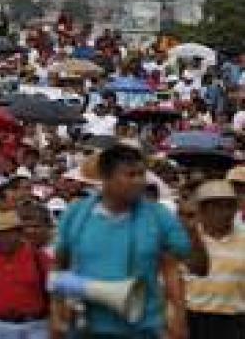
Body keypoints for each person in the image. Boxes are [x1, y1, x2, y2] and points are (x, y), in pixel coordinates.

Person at [50, 144, 208, 338]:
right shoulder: (76, 214)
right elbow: (59, 267)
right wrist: (57, 314)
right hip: (85, 330)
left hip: (143, 331)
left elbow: (198, 268)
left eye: (142, 174)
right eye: (130, 175)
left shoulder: (158, 216)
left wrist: (192, 231)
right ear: (106, 179)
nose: (139, 181)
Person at [0, 210, 51, 339]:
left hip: (35, 327)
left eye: (7, 233)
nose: (1, 239)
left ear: (19, 233)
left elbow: (56, 295)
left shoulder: (39, 258)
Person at [184, 180, 245, 338]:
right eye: (217, 206)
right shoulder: (187, 237)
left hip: (234, 321)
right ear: (202, 210)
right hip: (192, 319)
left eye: (230, 206)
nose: (226, 212)